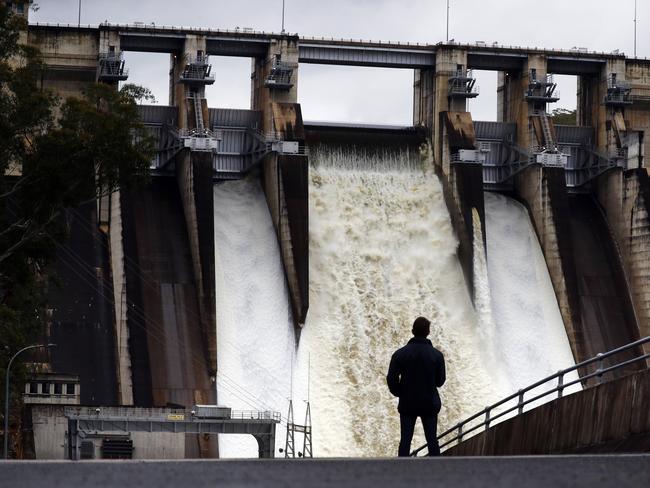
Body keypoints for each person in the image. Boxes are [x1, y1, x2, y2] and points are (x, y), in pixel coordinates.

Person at [386, 316, 446, 457]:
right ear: (428, 332)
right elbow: (440, 381)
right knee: (432, 441)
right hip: (429, 403)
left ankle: (401, 473)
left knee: (405, 441)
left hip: (408, 403)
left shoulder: (400, 354)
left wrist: (400, 392)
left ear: (412, 331)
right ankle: (438, 473)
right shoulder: (437, 356)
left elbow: (391, 379)